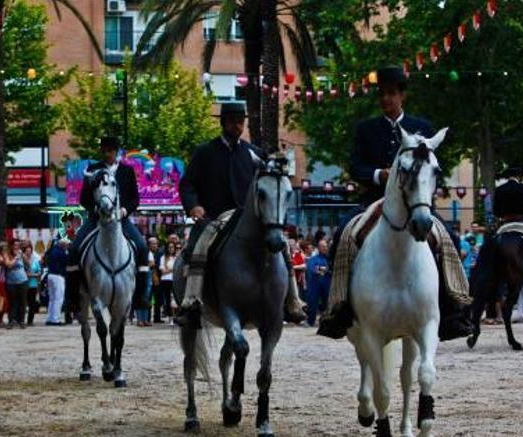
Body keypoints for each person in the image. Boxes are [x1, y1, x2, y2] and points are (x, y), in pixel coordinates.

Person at [321, 66, 471, 340]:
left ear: (402, 96)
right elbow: (355, 167)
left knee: (449, 238)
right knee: (343, 234)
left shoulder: (422, 127)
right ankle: (338, 309)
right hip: (374, 200)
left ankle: (453, 310)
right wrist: (380, 175)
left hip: (416, 203)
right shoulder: (366, 129)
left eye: (391, 94)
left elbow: (431, 165)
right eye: (382, 94)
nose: (386, 99)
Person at [177, 102, 306, 324]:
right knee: (198, 248)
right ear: (223, 123)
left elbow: (269, 183)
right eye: (232, 121)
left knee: (282, 245)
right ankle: (192, 301)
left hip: (248, 218)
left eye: (240, 121)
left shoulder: (254, 153)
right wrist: (193, 206)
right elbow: (187, 185)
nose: (237, 125)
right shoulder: (205, 152)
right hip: (215, 218)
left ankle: (293, 301)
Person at [65, 136, 150, 312]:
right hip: (96, 219)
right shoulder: (93, 169)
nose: (106, 154)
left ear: (116, 151)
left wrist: (125, 210)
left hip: (121, 219)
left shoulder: (127, 171)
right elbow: (83, 199)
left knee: (142, 247)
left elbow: (135, 198)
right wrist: (95, 210)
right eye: (103, 150)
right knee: (74, 249)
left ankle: (141, 297)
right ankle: (72, 297)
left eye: (109, 150)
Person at [305, 239, 332, 326]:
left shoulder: (330, 259)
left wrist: (321, 269)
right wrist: (326, 270)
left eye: (326, 246)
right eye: (323, 246)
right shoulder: (313, 259)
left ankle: (326, 321)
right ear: (318, 248)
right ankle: (310, 321)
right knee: (312, 304)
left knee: (327, 304)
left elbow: (331, 270)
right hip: (315, 286)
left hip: (327, 285)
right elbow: (312, 270)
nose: (325, 248)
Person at [3, 240, 29, 329]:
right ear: (11, 246)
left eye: (18, 245)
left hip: (23, 280)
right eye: (14, 245)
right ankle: (11, 320)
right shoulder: (7, 254)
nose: (16, 247)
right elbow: (8, 265)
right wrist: (16, 257)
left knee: (23, 301)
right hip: (11, 282)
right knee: (12, 302)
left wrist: (23, 256)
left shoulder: (20, 254)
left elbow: (28, 263)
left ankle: (21, 320)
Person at [43, 236, 67, 326]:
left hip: (50, 275)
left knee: (52, 299)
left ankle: (50, 318)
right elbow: (66, 262)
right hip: (58, 276)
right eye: (65, 245)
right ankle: (55, 319)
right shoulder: (61, 252)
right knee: (58, 299)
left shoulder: (52, 251)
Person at [158, 240, 179, 322]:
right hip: (166, 280)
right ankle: (170, 317)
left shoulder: (176, 257)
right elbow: (163, 271)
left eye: (172, 247)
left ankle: (177, 316)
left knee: (176, 298)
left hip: (175, 280)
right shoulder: (163, 258)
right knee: (168, 299)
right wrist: (172, 269)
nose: (171, 249)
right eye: (169, 247)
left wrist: (169, 269)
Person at [24, 243, 42, 326]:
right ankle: (20, 320)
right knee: (23, 303)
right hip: (24, 285)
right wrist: (32, 275)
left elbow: (39, 272)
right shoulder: (22, 261)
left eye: (30, 251)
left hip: (33, 285)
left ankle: (30, 321)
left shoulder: (35, 261)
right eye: (27, 251)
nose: (28, 252)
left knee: (32, 304)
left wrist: (33, 275)